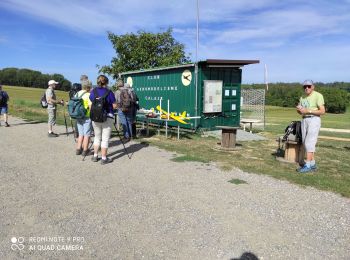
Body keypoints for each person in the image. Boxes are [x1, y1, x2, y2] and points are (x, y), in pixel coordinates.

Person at [296, 80, 325, 173]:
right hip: (304, 119)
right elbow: (301, 111)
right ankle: (312, 164)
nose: (306, 88)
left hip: (314, 119)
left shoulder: (318, 95)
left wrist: (308, 111)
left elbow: (322, 111)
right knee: (305, 143)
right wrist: (299, 110)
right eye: (304, 87)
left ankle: (307, 166)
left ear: (313, 86)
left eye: (308, 86)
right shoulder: (302, 97)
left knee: (309, 143)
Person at [89, 75, 117, 164]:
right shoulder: (109, 92)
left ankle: (95, 156)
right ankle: (104, 158)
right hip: (107, 117)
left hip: (95, 117)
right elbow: (114, 105)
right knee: (105, 139)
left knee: (97, 137)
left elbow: (91, 100)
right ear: (107, 82)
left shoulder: (93, 91)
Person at [75, 80, 93, 156]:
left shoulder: (77, 93)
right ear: (88, 86)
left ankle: (78, 149)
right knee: (87, 134)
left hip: (78, 115)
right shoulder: (88, 94)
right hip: (87, 116)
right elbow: (90, 106)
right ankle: (85, 150)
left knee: (81, 133)